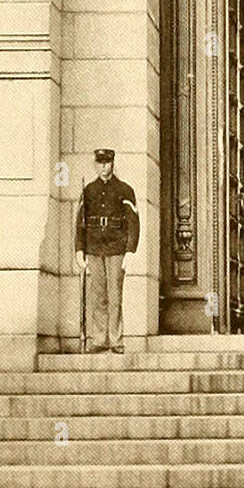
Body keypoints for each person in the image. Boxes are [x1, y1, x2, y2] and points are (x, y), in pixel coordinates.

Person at [75, 148, 139, 354]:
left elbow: (133, 222)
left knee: (115, 296)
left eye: (107, 163)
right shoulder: (88, 190)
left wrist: (130, 250)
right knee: (98, 295)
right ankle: (100, 339)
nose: (104, 167)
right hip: (94, 247)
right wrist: (79, 249)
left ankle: (116, 340)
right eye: (100, 163)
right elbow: (80, 223)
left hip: (116, 247)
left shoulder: (124, 190)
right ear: (95, 165)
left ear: (113, 164)